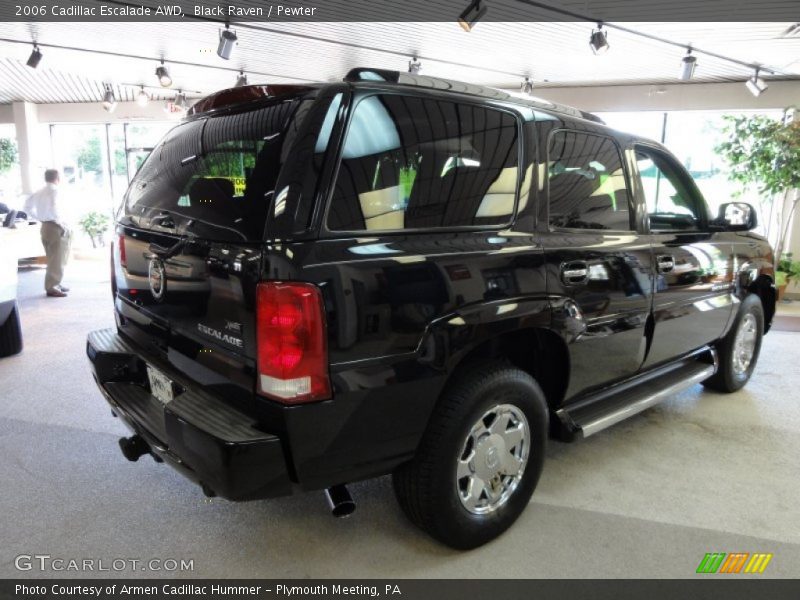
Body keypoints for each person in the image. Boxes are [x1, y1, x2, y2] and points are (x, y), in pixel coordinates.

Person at [24, 169, 72, 297]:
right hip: (55, 226)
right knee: (58, 258)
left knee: (53, 257)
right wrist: (60, 223)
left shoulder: (39, 192)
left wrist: (39, 218)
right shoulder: (55, 191)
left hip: (45, 226)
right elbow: (55, 207)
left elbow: (26, 207)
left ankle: (56, 282)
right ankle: (52, 286)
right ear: (58, 178)